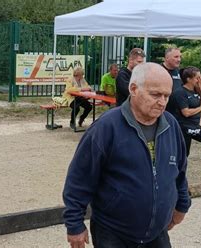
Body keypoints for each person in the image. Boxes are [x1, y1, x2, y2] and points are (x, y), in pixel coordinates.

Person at [63, 62, 191, 248]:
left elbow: (179, 170)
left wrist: (182, 205)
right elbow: (79, 178)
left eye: (166, 96)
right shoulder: (106, 127)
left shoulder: (171, 124)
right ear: (133, 89)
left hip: (156, 233)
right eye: (155, 94)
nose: (162, 102)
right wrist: (74, 224)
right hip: (113, 233)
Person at [162, 47, 183, 117]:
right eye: (176, 57)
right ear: (167, 58)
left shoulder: (179, 71)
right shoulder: (158, 71)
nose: (179, 59)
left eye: (180, 57)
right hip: (163, 112)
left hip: (178, 114)